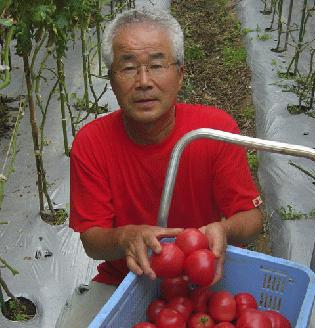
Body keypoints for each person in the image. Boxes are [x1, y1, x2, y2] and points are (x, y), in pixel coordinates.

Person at [56, 8, 263, 328]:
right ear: (112, 80)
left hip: (204, 281)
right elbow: (92, 240)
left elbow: (251, 220)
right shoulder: (92, 143)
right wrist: (126, 237)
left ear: (179, 74)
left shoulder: (213, 130)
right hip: (125, 280)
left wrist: (224, 229)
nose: (143, 81)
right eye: (128, 68)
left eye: (156, 65)